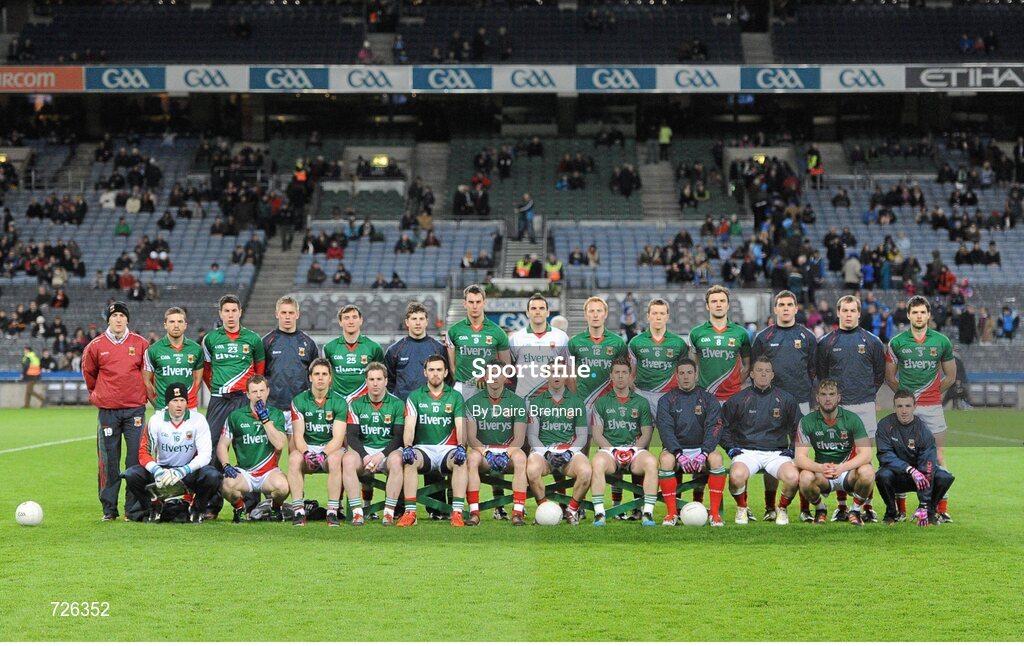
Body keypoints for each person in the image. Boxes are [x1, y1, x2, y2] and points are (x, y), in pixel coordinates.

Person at [884, 295, 956, 523]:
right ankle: (902, 509)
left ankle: (939, 508)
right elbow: (890, 377)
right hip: (907, 409)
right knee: (901, 456)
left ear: (929, 315)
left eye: (922, 312)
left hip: (933, 408)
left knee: (938, 456)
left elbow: (951, 376)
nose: (918, 316)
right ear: (908, 315)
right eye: (914, 312)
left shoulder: (941, 342)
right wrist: (907, 399)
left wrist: (932, 393)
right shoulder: (897, 342)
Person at [815, 294, 885, 521]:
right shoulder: (826, 341)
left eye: (852, 310)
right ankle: (842, 506)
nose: (848, 314)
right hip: (838, 408)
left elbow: (879, 375)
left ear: (859, 313)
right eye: (844, 310)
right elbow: (822, 374)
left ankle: (867, 507)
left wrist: (866, 395)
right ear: (837, 313)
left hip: (864, 405)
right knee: (838, 454)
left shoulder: (872, 341)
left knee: (865, 458)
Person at [751, 290, 818, 521]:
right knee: (771, 453)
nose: (786, 308)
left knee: (803, 454)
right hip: (772, 403)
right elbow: (758, 370)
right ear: (775, 309)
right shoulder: (763, 337)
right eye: (782, 304)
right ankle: (771, 507)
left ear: (796, 309)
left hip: (801, 402)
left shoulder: (807, 336)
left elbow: (813, 370)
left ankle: (804, 508)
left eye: (790, 304)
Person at [82, 301, 150, 521]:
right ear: (108, 320)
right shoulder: (95, 346)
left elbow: (148, 375)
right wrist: (98, 395)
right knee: (109, 462)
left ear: (127, 319)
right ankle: (109, 510)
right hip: (108, 412)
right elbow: (89, 375)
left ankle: (134, 510)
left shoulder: (141, 344)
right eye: (114, 316)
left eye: (122, 315)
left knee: (135, 461)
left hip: (135, 411)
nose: (118, 319)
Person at [688, 285, 753, 512]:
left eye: (722, 301)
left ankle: (742, 506)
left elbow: (747, 365)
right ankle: (697, 502)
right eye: (713, 301)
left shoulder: (740, 334)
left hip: (734, 402)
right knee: (703, 450)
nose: (718, 304)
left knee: (739, 452)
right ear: (707, 306)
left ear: (727, 304)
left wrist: (735, 384)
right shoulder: (697, 333)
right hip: (707, 401)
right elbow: (692, 365)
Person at [202, 294, 266, 518]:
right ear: (220, 314)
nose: (230, 315)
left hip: (243, 400)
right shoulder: (210, 339)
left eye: (234, 311)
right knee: (212, 449)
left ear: (240, 312)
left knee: (247, 448)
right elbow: (207, 371)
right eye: (226, 311)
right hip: (219, 400)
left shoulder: (253, 339)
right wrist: (219, 390)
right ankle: (211, 505)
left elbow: (259, 371)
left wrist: (250, 396)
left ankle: (251, 505)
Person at [121, 383, 221, 523]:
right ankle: (153, 507)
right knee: (131, 475)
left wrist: (183, 471)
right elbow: (144, 452)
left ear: (187, 402)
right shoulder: (156, 420)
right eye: (175, 401)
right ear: (168, 403)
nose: (179, 405)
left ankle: (197, 509)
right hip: (162, 471)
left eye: (182, 400)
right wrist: (157, 471)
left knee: (213, 475)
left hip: (187, 471)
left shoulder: (198, 420)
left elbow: (205, 455)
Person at [721, 357, 803, 526]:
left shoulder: (786, 399)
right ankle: (742, 507)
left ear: (772, 375)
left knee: (793, 477)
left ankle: (781, 508)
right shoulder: (738, 400)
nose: (763, 374)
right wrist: (730, 448)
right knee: (736, 477)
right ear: (751, 374)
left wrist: (793, 449)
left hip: (776, 453)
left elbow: (798, 427)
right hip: (747, 452)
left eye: (767, 371)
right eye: (759, 370)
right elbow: (722, 426)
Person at [396, 355, 469, 527]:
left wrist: (461, 447)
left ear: (445, 373)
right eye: (431, 370)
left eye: (438, 370)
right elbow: (410, 427)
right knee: (410, 460)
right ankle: (410, 512)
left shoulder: (455, 397)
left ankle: (457, 512)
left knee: (461, 461)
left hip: (447, 449)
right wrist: (407, 447)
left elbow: (460, 426)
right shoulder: (415, 397)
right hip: (424, 449)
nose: (435, 373)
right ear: (425, 372)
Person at [794, 379, 875, 526]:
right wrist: (820, 468)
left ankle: (855, 510)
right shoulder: (807, 421)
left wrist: (842, 468)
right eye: (823, 394)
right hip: (823, 472)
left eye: (832, 394)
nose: (827, 398)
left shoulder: (852, 419)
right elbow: (799, 458)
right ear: (817, 398)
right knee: (805, 478)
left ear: (839, 397)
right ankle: (820, 509)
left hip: (847, 472)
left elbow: (866, 454)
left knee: (868, 471)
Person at [656, 359, 726, 526]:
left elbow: (714, 427)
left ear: (696, 375)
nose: (685, 377)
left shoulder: (708, 399)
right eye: (681, 373)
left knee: (717, 459)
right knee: (665, 460)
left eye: (689, 373)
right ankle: (671, 514)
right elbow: (665, 430)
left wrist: (705, 452)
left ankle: (715, 515)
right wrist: (678, 454)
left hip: (702, 449)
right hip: (676, 450)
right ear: (676, 376)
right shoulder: (666, 400)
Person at [589, 357, 657, 527]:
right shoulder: (601, 402)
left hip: (635, 451)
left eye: (624, 372)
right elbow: (597, 434)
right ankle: (599, 513)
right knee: (597, 463)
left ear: (630, 376)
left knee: (651, 462)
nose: (620, 376)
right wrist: (613, 451)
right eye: (617, 372)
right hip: (609, 451)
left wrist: (633, 450)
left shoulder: (641, 402)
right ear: (610, 376)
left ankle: (647, 512)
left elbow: (647, 433)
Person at [875, 390, 956, 526]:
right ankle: (891, 513)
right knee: (882, 475)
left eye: (908, 406)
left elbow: (928, 465)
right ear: (894, 407)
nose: (904, 411)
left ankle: (929, 513)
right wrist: (909, 469)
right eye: (900, 406)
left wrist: (923, 503)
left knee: (945, 476)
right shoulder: (885, 425)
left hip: (920, 478)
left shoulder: (923, 430)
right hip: (897, 475)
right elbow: (885, 456)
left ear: (915, 406)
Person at [217, 375, 290, 523]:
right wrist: (226, 465)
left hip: (269, 473)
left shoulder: (276, 414)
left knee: (283, 487)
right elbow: (222, 445)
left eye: (262, 390)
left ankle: (276, 508)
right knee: (226, 486)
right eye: (254, 391)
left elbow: (280, 444)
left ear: (268, 391)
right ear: (248, 394)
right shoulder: (236, 416)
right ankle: (239, 509)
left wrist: (265, 419)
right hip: (245, 473)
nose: (258, 395)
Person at [464, 363, 530, 526]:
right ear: (485, 377)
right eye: (491, 373)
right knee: (471, 458)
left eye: (498, 373)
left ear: (505, 377)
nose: (494, 377)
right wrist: (487, 453)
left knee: (521, 458)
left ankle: (518, 512)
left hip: (509, 450)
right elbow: (472, 438)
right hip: (483, 451)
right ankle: (474, 512)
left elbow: (519, 438)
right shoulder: (472, 402)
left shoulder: (517, 402)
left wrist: (506, 454)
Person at [344, 362, 407, 526]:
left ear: (386, 381)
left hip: (387, 451)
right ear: (366, 381)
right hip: (365, 451)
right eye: (371, 379)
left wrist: (381, 455)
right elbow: (351, 436)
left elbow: (399, 437)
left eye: (379, 379)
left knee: (397, 460)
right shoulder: (355, 404)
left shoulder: (397, 404)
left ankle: (388, 512)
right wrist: (365, 456)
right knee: (348, 459)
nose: (375, 383)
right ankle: (358, 512)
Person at [287, 359, 347, 527]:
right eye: (316, 374)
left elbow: (338, 437)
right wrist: (306, 453)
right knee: (293, 459)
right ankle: (298, 511)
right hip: (308, 446)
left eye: (324, 374)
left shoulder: (339, 402)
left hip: (331, 449)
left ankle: (332, 512)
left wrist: (323, 454)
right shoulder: (298, 401)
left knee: (336, 460)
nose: (320, 378)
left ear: (330, 379)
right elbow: (298, 435)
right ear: (310, 377)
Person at [526, 372, 592, 525]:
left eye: (560, 372)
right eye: (552, 372)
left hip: (569, 451)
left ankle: (571, 510)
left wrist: (570, 452)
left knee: (586, 472)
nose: (556, 376)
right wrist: (547, 453)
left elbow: (582, 435)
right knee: (532, 470)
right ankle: (543, 510)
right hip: (543, 451)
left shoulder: (576, 402)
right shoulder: (536, 403)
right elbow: (532, 436)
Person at [262, 296, 319, 433]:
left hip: (299, 407)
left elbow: (315, 377)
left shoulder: (308, 343)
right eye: (283, 313)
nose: (287, 317)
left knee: (296, 453)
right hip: (273, 406)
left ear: (297, 315)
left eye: (291, 313)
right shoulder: (266, 341)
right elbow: (259, 375)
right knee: (273, 452)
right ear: (277, 314)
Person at [568, 296, 628, 415]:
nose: (595, 315)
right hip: (583, 402)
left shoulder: (618, 342)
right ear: (585, 315)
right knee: (583, 435)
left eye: (599, 311)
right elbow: (570, 376)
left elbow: (624, 374)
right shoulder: (574, 342)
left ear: (605, 314)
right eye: (591, 311)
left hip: (610, 402)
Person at [628, 297, 689, 415]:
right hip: (643, 394)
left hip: (670, 395)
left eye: (662, 313)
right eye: (654, 313)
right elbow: (631, 373)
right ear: (648, 316)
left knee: (669, 433)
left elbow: (684, 372)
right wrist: (634, 391)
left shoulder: (678, 343)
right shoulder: (636, 342)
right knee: (642, 433)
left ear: (667, 316)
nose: (658, 317)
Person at [508, 293, 570, 400]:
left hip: (553, 399)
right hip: (525, 398)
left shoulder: (561, 337)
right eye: (533, 308)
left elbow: (568, 369)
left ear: (548, 312)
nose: (537, 311)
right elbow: (509, 369)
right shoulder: (516, 338)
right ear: (527, 313)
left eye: (541, 308)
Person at [143, 307, 203, 413]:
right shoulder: (153, 350)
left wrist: (189, 398)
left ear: (185, 325)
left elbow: (198, 381)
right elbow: (146, 381)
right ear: (165, 325)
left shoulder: (196, 349)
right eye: (172, 321)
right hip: (163, 408)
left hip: (190, 408)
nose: (176, 325)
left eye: (180, 321)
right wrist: (157, 403)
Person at [385, 301, 447, 402]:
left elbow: (447, 378)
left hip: (431, 408)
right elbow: (388, 381)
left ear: (426, 322)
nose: (418, 323)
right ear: (407, 322)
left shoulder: (439, 349)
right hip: (403, 407)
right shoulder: (394, 350)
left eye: (421, 319)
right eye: (414, 319)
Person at [322, 305, 385, 400]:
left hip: (364, 403)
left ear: (361, 320)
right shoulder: (329, 348)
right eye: (346, 318)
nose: (351, 322)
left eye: (354, 317)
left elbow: (381, 378)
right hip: (338, 402)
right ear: (340, 322)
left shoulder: (374, 347)